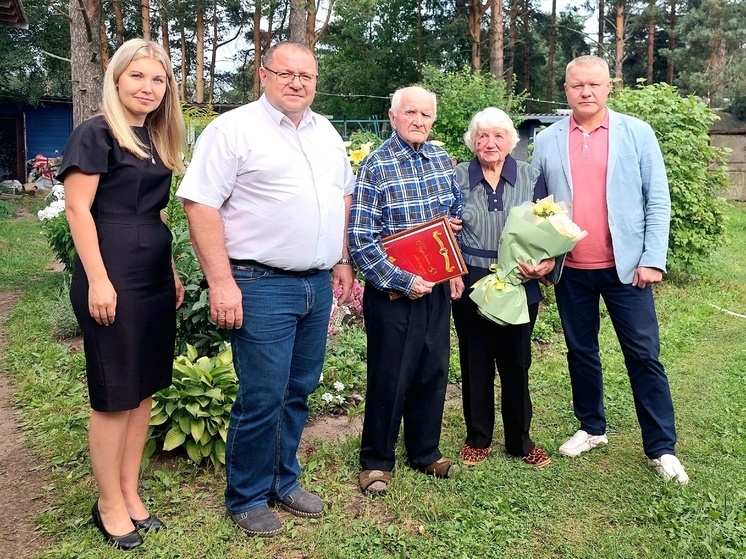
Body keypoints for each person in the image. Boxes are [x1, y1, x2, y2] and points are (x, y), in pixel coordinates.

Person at [176, 41, 355, 536]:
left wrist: (341, 258)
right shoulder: (232, 130)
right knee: (263, 393)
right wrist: (220, 282)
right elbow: (200, 204)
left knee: (299, 388)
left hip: (315, 283)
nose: (297, 82)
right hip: (259, 282)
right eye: (286, 73)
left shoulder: (327, 133)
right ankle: (247, 495)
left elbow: (342, 196)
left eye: (307, 75)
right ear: (263, 74)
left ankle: (283, 479)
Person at [531, 55, 689, 484]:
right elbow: (538, 209)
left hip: (627, 269)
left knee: (643, 355)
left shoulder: (636, 133)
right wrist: (543, 254)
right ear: (565, 90)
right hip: (572, 269)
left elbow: (657, 199)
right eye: (577, 85)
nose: (586, 92)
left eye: (594, 84)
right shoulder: (546, 141)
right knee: (581, 352)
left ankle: (661, 447)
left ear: (608, 88)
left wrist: (652, 258)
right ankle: (591, 427)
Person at [58, 39, 186, 549]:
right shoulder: (95, 133)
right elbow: (77, 211)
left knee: (143, 390)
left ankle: (131, 493)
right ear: (116, 79)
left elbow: (154, 212)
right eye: (138, 77)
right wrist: (99, 279)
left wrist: (171, 270)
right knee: (114, 396)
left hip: (152, 273)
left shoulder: (154, 136)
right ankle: (108, 503)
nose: (149, 88)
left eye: (158, 80)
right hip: (111, 271)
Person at [348, 86, 463, 497]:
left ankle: (425, 452)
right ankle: (376, 461)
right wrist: (402, 280)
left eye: (425, 114)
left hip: (434, 287)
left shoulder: (440, 160)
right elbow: (361, 238)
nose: (418, 120)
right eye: (410, 112)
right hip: (393, 292)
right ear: (393, 116)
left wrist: (451, 239)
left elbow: (455, 212)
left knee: (432, 369)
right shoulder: (376, 166)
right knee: (390, 374)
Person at [451, 108, 553, 469]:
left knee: (516, 363)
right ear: (472, 142)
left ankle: (520, 441)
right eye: (481, 136)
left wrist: (548, 262)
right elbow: (443, 223)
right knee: (475, 361)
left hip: (519, 280)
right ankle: (478, 437)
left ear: (511, 140)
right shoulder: (458, 175)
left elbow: (551, 226)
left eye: (497, 136)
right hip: (472, 281)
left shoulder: (531, 176)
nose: (489, 143)